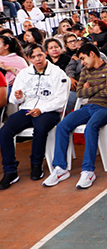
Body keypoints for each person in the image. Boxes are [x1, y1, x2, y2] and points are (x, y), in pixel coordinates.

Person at [42, 44, 107, 189]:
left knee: (91, 127)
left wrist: (92, 88)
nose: (82, 62)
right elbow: (80, 93)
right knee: (62, 125)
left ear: (93, 54)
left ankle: (88, 170)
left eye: (83, 58)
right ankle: (60, 168)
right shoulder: (84, 71)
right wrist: (101, 86)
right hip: (88, 107)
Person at [0, 44, 68, 189]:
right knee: (5, 130)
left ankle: (36, 164)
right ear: (28, 59)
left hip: (49, 110)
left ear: (45, 54)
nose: (37, 59)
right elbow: (13, 99)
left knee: (41, 127)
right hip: (27, 109)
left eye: (40, 55)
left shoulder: (57, 73)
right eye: (33, 57)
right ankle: (10, 171)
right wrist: (19, 97)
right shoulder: (24, 74)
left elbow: (61, 100)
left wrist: (41, 109)